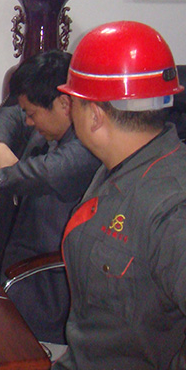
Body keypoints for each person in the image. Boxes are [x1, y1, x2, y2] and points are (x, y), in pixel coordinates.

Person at [52, 21, 186, 369]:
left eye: (73, 103)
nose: (68, 112)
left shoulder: (173, 209)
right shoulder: (120, 167)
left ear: (95, 116)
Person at [0, 50, 100, 345]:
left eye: (32, 114)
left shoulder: (85, 151)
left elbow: (31, 175)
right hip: (15, 261)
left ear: (64, 104)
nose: (27, 122)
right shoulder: (54, 123)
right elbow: (10, 111)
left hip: (45, 287)